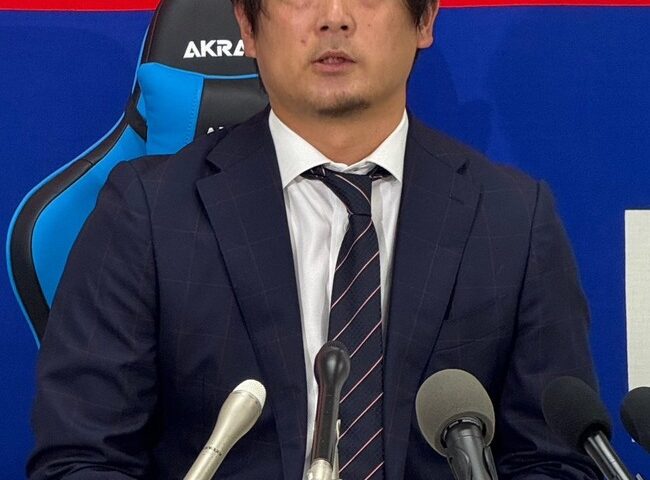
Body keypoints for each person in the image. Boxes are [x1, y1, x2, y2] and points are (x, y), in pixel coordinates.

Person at [27, 0, 601, 476]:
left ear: (425, 19)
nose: (334, 17)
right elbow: (82, 456)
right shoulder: (149, 213)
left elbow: (553, 459)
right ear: (248, 26)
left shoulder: (513, 218)